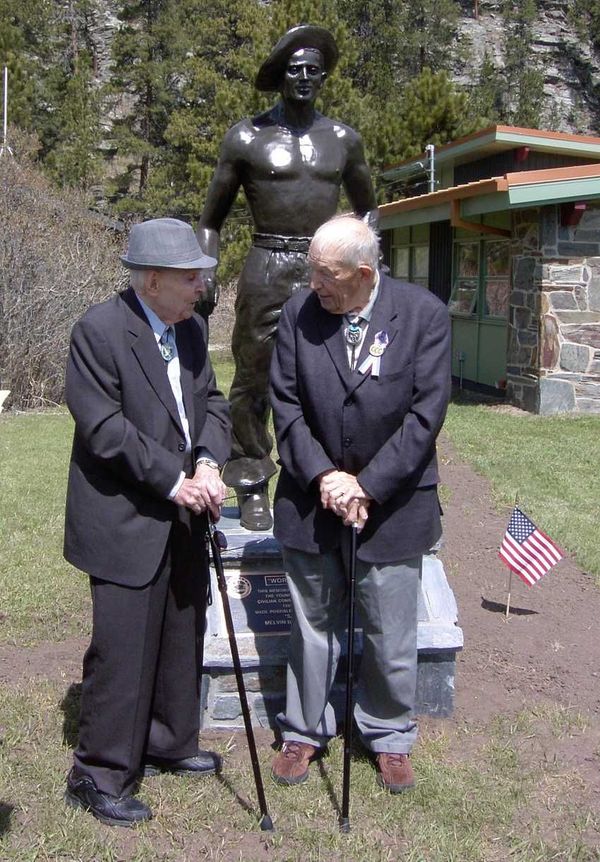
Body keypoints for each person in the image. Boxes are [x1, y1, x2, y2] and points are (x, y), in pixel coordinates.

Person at [269, 216, 451, 792]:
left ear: (365, 273)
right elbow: (286, 404)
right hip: (312, 498)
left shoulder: (423, 316)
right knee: (311, 623)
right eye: (311, 271)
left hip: (394, 503)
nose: (314, 284)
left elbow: (425, 417)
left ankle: (389, 733)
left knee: (389, 629)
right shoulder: (299, 314)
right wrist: (326, 476)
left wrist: (366, 485)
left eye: (327, 275)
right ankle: (303, 730)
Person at [63, 218, 231, 826]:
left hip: (186, 511)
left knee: (180, 633)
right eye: (191, 277)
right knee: (124, 648)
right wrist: (173, 480)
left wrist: (210, 462)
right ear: (152, 279)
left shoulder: (190, 329)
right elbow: (104, 429)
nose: (200, 287)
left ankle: (166, 741)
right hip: (125, 517)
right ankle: (98, 772)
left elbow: (212, 401)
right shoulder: (98, 332)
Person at [198, 24, 377, 531]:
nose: (304, 77)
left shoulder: (344, 140)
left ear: (324, 76)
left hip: (327, 268)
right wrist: (206, 267)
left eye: (313, 70)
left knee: (331, 378)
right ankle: (252, 480)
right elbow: (210, 220)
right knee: (253, 379)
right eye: (295, 69)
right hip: (267, 262)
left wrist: (365, 268)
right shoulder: (247, 137)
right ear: (279, 75)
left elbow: (369, 212)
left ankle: (323, 479)